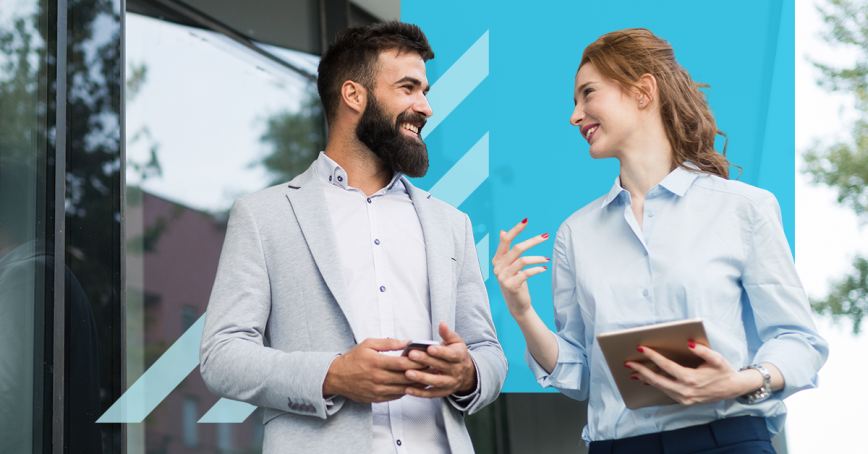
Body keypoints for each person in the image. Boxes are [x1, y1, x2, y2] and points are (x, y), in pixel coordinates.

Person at [492, 28, 828, 454]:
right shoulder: (576, 234)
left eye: (587, 94)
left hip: (726, 440)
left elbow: (800, 341)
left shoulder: (743, 208)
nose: (575, 116)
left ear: (643, 91)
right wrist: (522, 312)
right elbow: (576, 375)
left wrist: (740, 380)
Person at [199, 21, 506, 454]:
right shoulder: (264, 215)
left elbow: (488, 351)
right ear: (353, 95)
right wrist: (334, 374)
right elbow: (221, 356)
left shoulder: (450, 223)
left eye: (426, 91)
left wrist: (469, 373)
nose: (426, 107)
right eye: (408, 88)